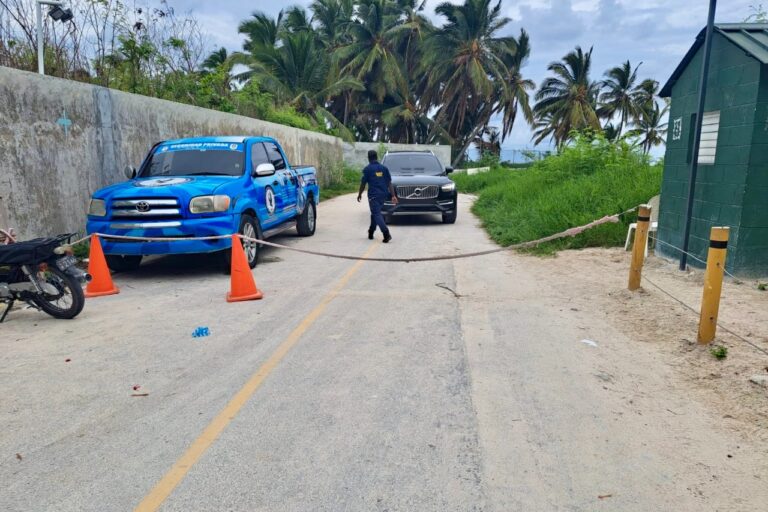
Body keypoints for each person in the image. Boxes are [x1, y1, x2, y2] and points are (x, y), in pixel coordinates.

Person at [357, 149, 398, 243]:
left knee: (376, 214)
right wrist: (393, 195)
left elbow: (363, 183)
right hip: (383, 195)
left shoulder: (367, 169)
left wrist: (359, 194)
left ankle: (386, 234)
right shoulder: (384, 168)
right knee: (375, 213)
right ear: (376, 157)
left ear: (368, 158)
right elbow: (389, 183)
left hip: (373, 196)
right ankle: (371, 231)